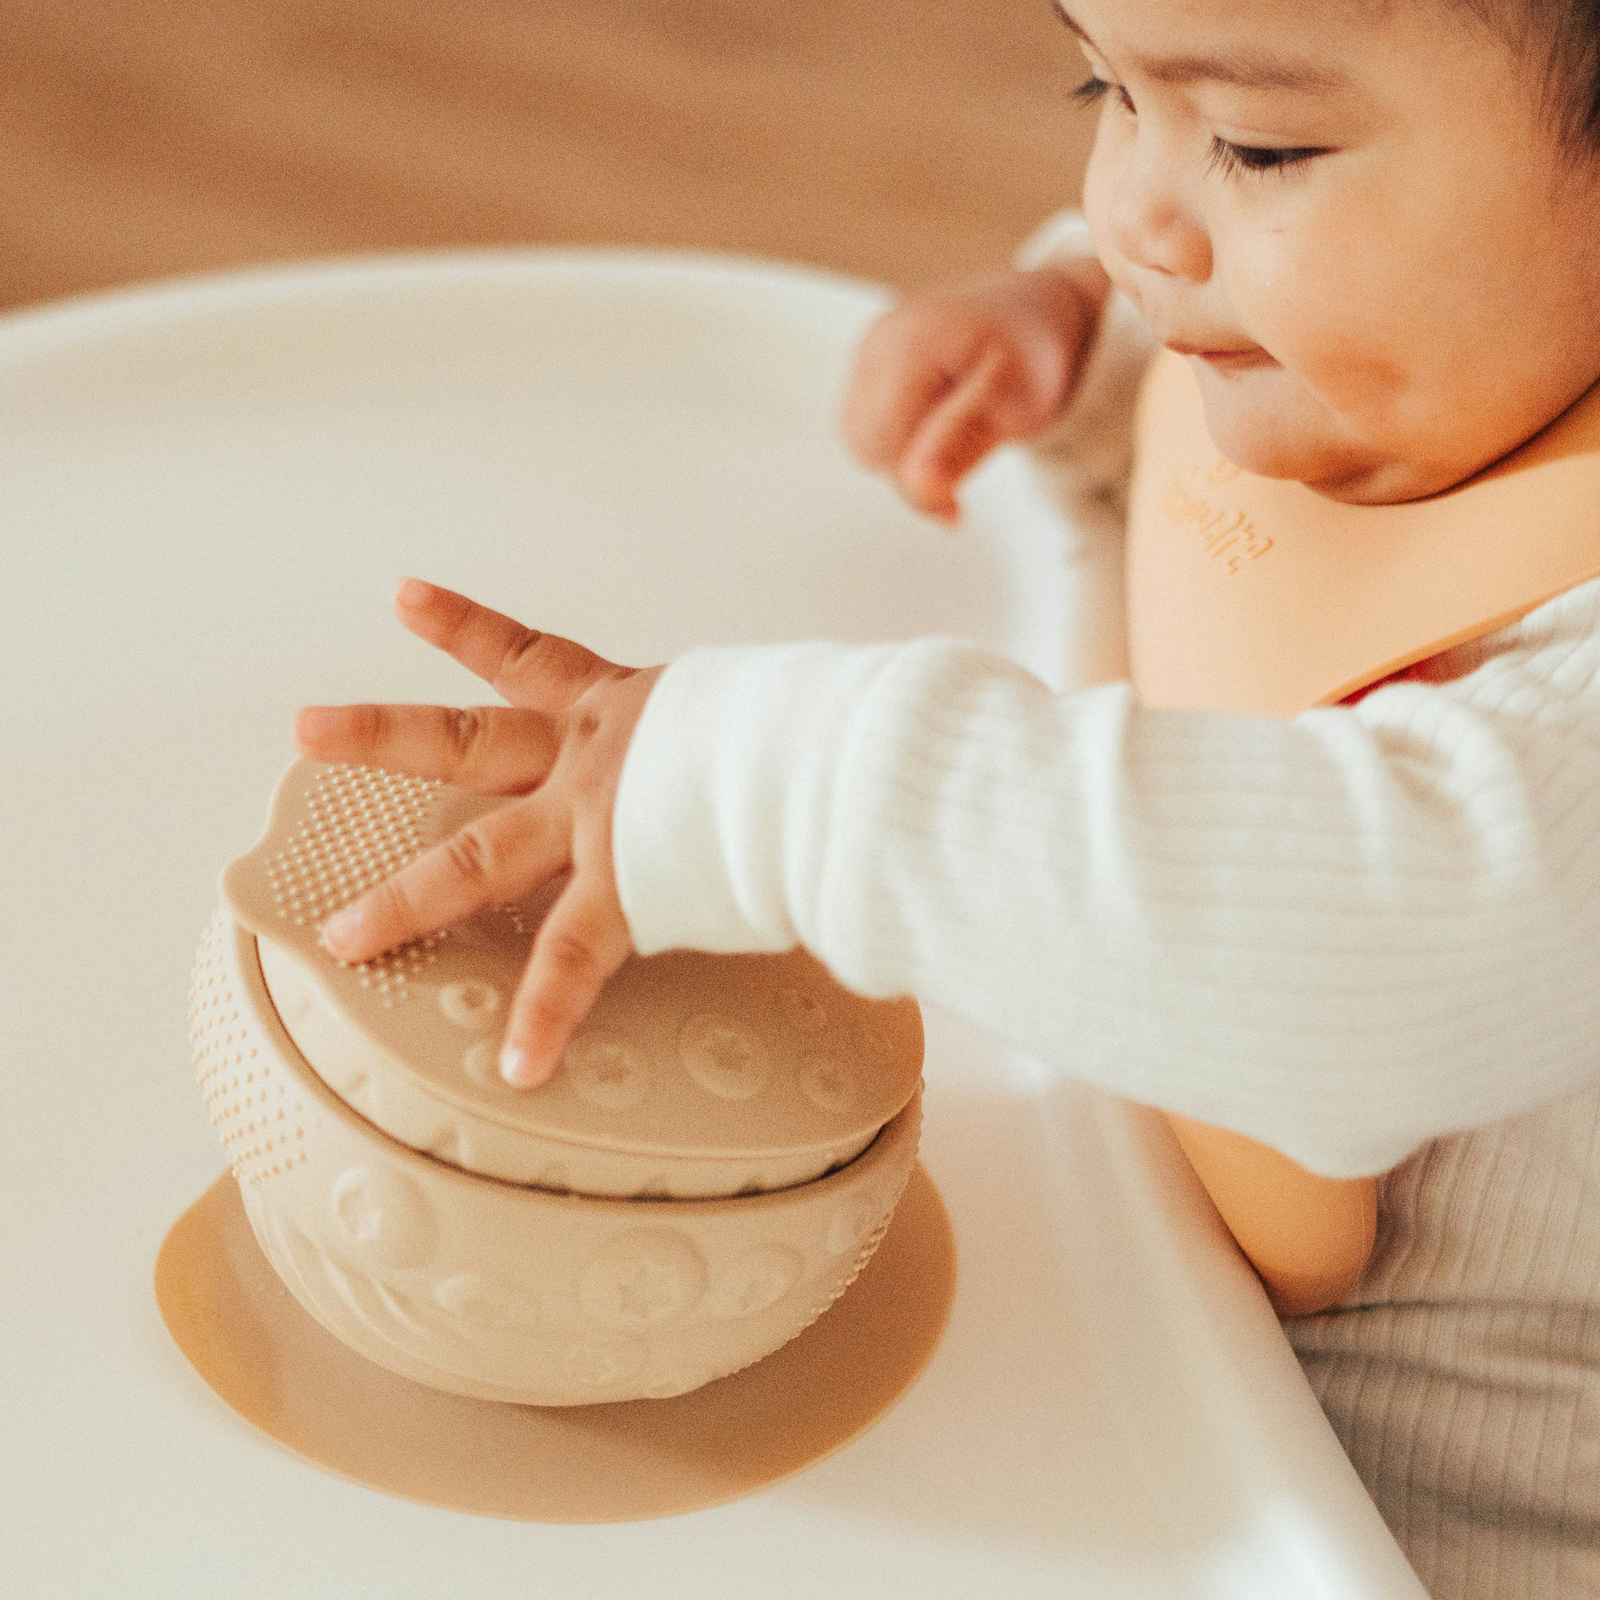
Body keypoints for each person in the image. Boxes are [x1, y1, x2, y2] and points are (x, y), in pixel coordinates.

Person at [294, 0, 1600, 1591]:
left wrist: (770, 785)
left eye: (1258, 144)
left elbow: (1376, 938)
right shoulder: (1407, 335)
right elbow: (1242, 376)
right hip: (1139, 1299)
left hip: (1406, 1517)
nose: (1133, 203)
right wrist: (1076, 323)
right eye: (1106, 88)